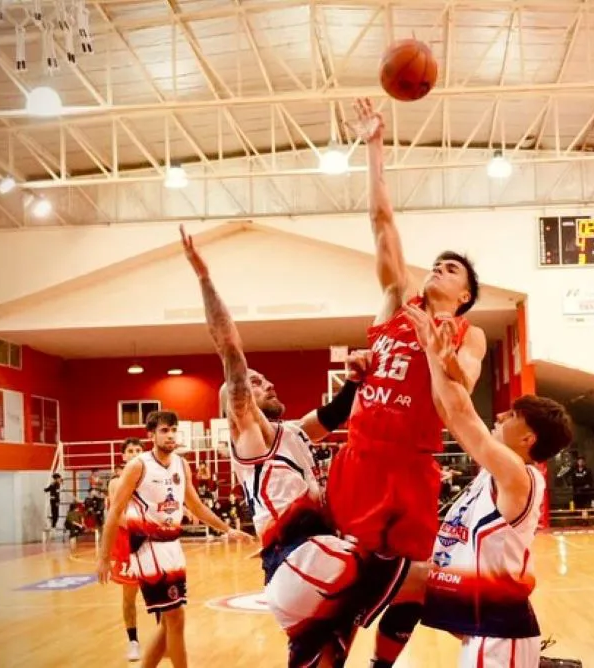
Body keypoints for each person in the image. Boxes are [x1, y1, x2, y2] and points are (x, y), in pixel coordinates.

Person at [181, 225, 421, 667]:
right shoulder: (249, 433)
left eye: (263, 379)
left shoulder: (291, 431)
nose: (265, 382)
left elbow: (334, 414)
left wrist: (357, 376)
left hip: (301, 578)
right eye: (255, 383)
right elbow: (230, 349)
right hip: (307, 560)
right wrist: (204, 278)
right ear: (238, 403)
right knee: (419, 580)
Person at [325, 97, 489, 667]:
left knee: (417, 579)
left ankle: (381, 665)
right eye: (437, 263)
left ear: (465, 293)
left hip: (414, 462)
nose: (439, 268)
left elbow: (459, 404)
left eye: (452, 268)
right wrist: (374, 145)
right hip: (363, 456)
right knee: (343, 576)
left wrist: (437, 355)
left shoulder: (468, 334)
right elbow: (382, 222)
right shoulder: (397, 301)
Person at [404, 305, 574, 667]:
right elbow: (448, 412)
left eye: (511, 415)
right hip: (482, 627)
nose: (499, 416)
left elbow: (461, 415)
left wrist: (433, 351)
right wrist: (435, 359)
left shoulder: (517, 474)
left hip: (499, 634)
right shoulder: (495, 472)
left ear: (527, 438)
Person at [96, 410, 247, 668]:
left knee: (168, 624)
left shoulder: (181, 464)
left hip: (172, 547)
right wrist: (103, 558)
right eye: (164, 430)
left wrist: (226, 529)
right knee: (176, 618)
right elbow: (114, 513)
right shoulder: (138, 466)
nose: (170, 435)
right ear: (151, 435)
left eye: (173, 430)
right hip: (147, 548)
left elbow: (197, 506)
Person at [106, 437, 145, 662]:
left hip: (151, 540)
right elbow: (116, 516)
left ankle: (165, 638)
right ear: (123, 456)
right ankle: (133, 641)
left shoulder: (152, 478)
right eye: (130, 450)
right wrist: (140, 529)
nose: (133, 453)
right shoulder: (115, 482)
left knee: (160, 593)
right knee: (129, 596)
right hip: (128, 540)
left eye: (138, 450)